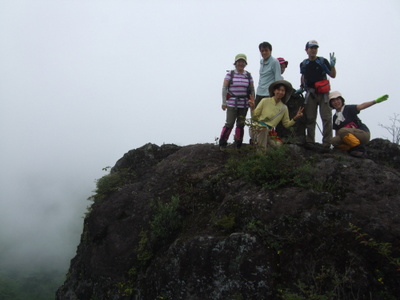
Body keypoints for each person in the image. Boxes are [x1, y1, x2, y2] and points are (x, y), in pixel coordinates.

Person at [300, 40, 337, 149]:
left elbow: (333, 75)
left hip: (323, 93)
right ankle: (310, 142)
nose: (313, 50)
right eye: (311, 48)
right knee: (310, 118)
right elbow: (303, 76)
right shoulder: (304, 64)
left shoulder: (322, 61)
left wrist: (332, 66)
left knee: (326, 117)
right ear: (306, 50)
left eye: (315, 48)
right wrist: (302, 87)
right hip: (310, 92)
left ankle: (327, 143)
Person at [329, 91, 389, 157]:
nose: (336, 102)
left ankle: (359, 148)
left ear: (341, 100)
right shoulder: (335, 117)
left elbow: (361, 106)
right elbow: (337, 133)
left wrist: (375, 101)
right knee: (333, 141)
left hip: (362, 134)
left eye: (338, 99)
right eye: (333, 101)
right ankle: (351, 149)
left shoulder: (348, 108)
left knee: (342, 131)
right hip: (349, 138)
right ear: (331, 104)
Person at [248, 80, 304, 151]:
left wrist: (296, 117)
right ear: (274, 91)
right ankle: (261, 156)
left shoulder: (284, 108)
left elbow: (286, 124)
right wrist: (252, 107)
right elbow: (254, 117)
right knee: (263, 130)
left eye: (283, 90)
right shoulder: (265, 101)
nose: (280, 92)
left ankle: (258, 145)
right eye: (278, 89)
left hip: (269, 132)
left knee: (278, 145)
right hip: (256, 128)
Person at [219, 53, 255, 149]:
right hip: (231, 103)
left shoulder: (248, 75)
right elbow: (224, 88)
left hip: (244, 104)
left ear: (245, 63)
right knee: (229, 123)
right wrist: (224, 102)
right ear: (235, 63)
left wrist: (253, 102)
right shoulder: (230, 74)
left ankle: (238, 144)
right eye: (239, 61)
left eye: (243, 62)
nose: (241, 63)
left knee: (241, 124)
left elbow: (252, 89)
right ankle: (222, 143)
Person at [255, 42, 282, 107]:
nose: (264, 52)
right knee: (256, 114)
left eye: (266, 50)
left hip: (268, 93)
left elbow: (278, 78)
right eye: (262, 51)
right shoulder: (261, 62)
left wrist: (277, 93)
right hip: (259, 92)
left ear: (270, 51)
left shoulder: (274, 62)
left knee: (267, 114)